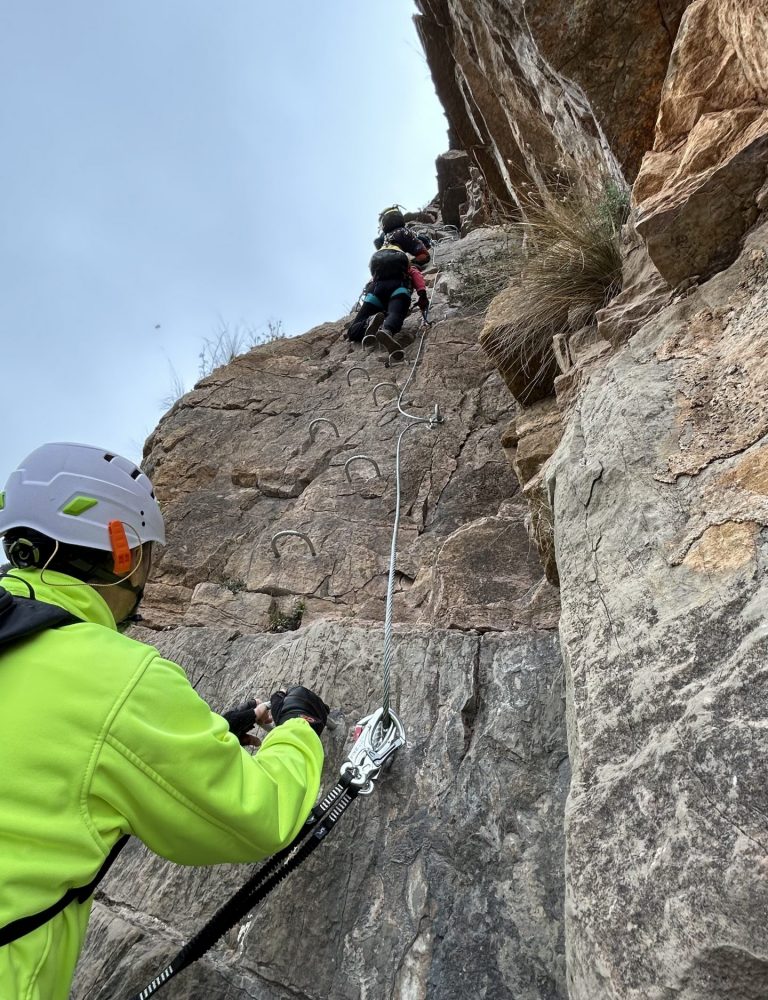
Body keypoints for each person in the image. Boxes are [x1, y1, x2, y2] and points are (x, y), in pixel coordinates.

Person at [0, 442, 328, 1000]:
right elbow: (257, 814)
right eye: (146, 556)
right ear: (122, 553)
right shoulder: (114, 677)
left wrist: (218, 729)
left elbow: (52, 753)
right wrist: (297, 729)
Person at [346, 206, 430, 353]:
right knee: (396, 314)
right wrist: (422, 294)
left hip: (376, 286)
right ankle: (387, 330)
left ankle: (368, 323)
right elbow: (420, 262)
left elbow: (376, 242)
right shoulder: (404, 235)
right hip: (399, 285)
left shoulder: (383, 240)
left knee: (353, 331)